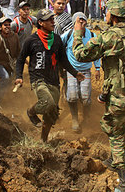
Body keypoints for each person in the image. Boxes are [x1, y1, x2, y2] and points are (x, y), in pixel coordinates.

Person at [72, 0, 125, 192]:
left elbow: (80, 54)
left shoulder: (109, 37)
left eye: (108, 10)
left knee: (116, 135)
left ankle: (123, 182)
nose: (106, 13)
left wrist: (78, 34)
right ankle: (113, 159)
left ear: (115, 14)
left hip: (119, 97)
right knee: (124, 129)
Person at [15, 9, 84, 142]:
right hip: (38, 79)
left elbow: (63, 60)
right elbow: (21, 59)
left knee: (51, 114)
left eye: (53, 19)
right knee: (48, 103)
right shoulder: (31, 40)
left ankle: (43, 140)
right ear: (40, 23)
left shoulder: (57, 40)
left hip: (54, 81)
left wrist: (75, 73)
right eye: (49, 20)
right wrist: (19, 76)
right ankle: (31, 112)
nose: (53, 22)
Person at [61, 12, 100, 132]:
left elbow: (97, 53)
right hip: (72, 70)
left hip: (86, 70)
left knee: (85, 97)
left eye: (83, 20)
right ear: (74, 23)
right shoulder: (68, 35)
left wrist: (97, 68)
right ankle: (74, 119)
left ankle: (86, 117)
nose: (81, 22)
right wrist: (62, 65)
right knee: (72, 97)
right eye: (78, 20)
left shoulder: (92, 35)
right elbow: (59, 47)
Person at [0, 17, 20, 105]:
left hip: (10, 63)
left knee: (11, 80)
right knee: (5, 78)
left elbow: (18, 52)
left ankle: (5, 96)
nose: (8, 27)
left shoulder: (15, 36)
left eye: (9, 25)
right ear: (0, 27)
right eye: (5, 25)